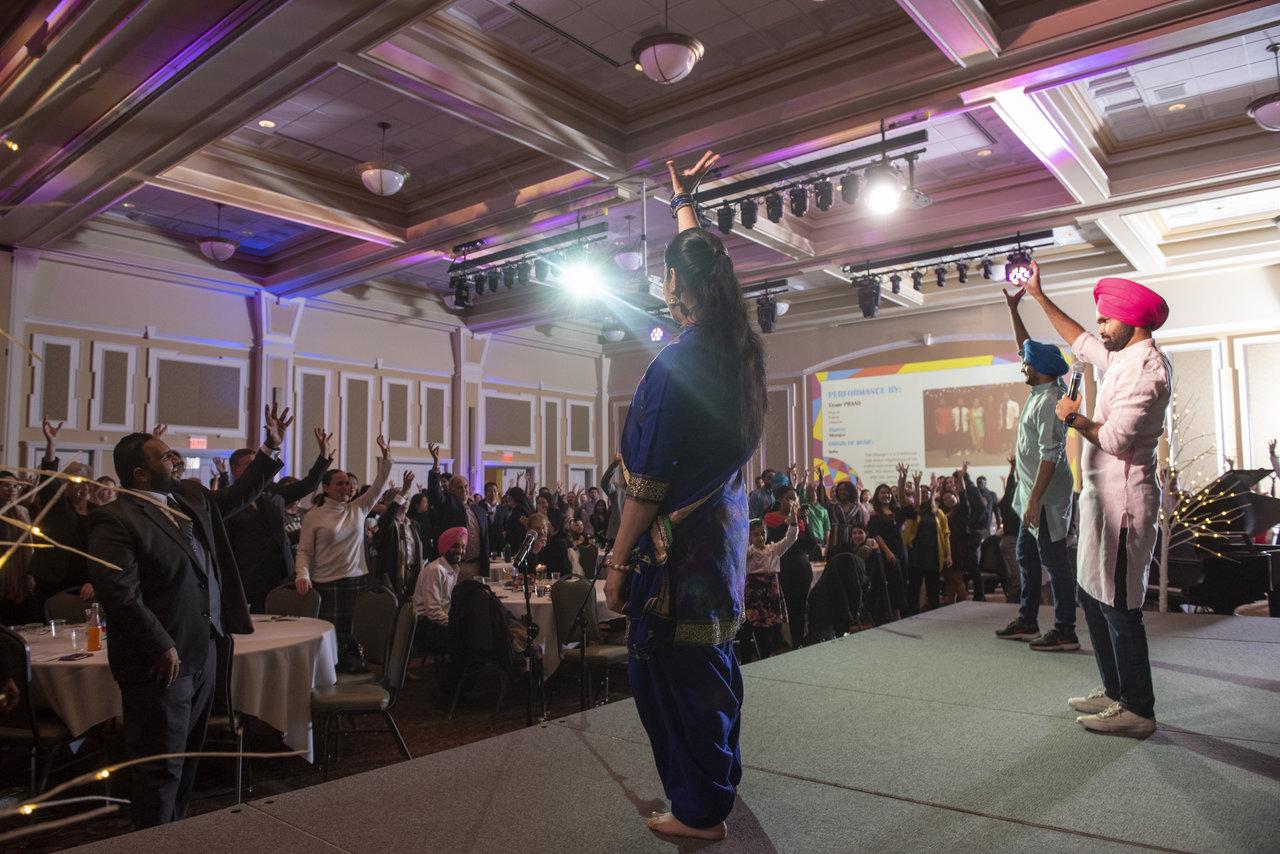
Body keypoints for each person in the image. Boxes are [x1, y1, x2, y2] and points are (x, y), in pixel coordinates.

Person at [601, 150, 765, 843]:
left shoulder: (677, 364)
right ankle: (715, 784)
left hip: (674, 559)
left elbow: (649, 483)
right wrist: (684, 206)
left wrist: (614, 561)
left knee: (671, 679)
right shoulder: (733, 350)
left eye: (668, 276)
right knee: (712, 667)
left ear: (674, 284)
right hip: (717, 544)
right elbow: (707, 263)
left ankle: (700, 809)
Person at [86, 404, 290, 828]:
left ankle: (176, 834)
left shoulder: (191, 497)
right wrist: (160, 643)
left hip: (205, 653)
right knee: (160, 770)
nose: (174, 459)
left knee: (188, 767)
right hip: (161, 661)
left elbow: (237, 496)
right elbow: (118, 593)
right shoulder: (115, 518)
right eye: (163, 456)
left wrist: (270, 447)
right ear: (140, 474)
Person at [1023, 264, 1171, 737]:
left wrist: (1074, 418)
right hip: (1099, 502)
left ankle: (1139, 709)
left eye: (1107, 320)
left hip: (1124, 507)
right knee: (1092, 594)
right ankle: (1114, 692)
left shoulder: (1146, 369)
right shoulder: (1124, 356)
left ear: (1132, 321)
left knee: (1121, 607)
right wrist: (1038, 296)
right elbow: (1081, 340)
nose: (1100, 328)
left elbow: (1115, 437)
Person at [994, 289, 1079, 650]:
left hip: (1045, 498)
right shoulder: (1041, 390)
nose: (1022, 365)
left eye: (1027, 362)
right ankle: (1028, 621)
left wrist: (1034, 501)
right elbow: (1024, 345)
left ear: (1040, 369)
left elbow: (1051, 455)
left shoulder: (1049, 403)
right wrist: (1014, 309)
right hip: (1033, 497)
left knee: (1055, 562)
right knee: (1027, 558)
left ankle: (1065, 630)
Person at [295, 435, 392, 660]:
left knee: (354, 636)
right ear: (326, 488)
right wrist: (302, 574)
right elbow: (304, 551)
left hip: (357, 580)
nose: (346, 487)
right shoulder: (314, 516)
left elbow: (380, 485)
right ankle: (329, 676)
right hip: (326, 583)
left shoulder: (358, 508)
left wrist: (386, 458)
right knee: (330, 638)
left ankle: (352, 674)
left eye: (348, 483)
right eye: (340, 483)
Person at [224, 427, 332, 613]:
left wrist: (324, 456)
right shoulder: (226, 499)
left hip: (283, 574)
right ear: (235, 469)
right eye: (250, 464)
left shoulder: (273, 492)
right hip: (249, 578)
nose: (257, 468)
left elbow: (309, 484)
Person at [426, 443, 490, 581]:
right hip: (455, 565)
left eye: (466, 486)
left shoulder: (478, 509)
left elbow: (485, 539)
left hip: (477, 566)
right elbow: (434, 494)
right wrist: (436, 464)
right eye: (459, 487)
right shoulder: (448, 504)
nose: (464, 490)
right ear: (451, 490)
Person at [742, 509, 797, 661]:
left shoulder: (773, 550)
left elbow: (789, 539)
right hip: (754, 592)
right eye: (756, 534)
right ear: (749, 537)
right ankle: (747, 658)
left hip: (771, 591)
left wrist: (793, 523)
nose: (760, 537)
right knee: (751, 625)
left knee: (771, 625)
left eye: (763, 533)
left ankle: (767, 655)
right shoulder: (748, 553)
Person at [414, 526, 465, 654]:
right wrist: (455, 624)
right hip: (426, 626)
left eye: (463, 547)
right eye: (455, 546)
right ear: (445, 547)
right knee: (468, 635)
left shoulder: (454, 569)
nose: (460, 550)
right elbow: (433, 612)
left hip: (441, 622)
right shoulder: (435, 570)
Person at [903, 477, 951, 613]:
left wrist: (949, 555)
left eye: (927, 492)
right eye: (921, 492)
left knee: (933, 590)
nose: (924, 494)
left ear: (932, 494)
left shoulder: (938, 513)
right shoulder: (914, 512)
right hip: (916, 556)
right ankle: (911, 616)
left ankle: (935, 616)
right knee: (914, 589)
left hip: (934, 556)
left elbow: (946, 534)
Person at [374, 470, 423, 597]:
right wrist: (403, 491)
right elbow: (387, 518)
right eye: (401, 499)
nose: (405, 502)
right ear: (390, 503)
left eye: (407, 499)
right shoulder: (386, 523)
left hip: (412, 572)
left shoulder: (413, 524)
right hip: (392, 576)